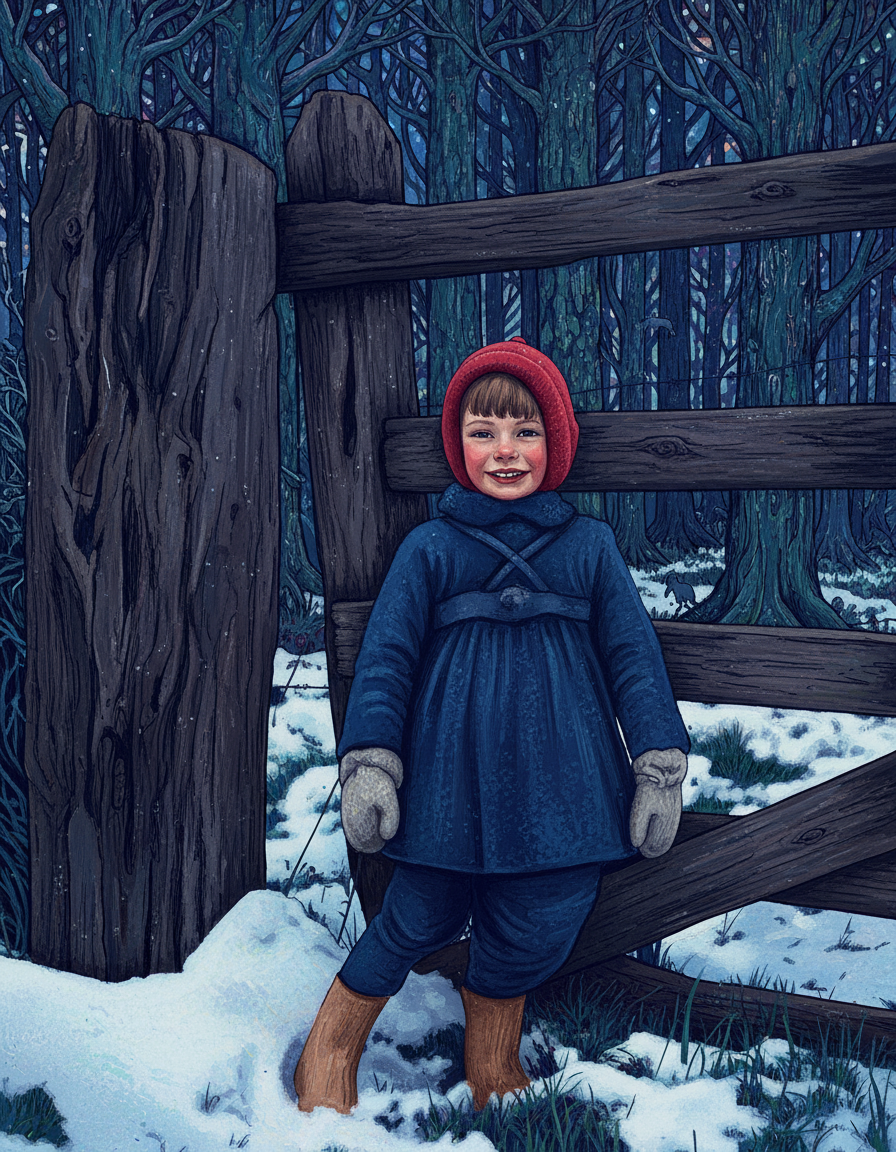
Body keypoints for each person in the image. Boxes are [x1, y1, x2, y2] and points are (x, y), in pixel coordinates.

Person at [294, 337, 689, 1115]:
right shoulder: (431, 548)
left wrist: (657, 762)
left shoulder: (589, 548)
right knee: (418, 913)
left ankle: (492, 1058)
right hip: (448, 782)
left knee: (547, 910)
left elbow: (633, 657)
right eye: (484, 432)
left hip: (564, 785)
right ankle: (331, 1049)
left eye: (526, 432)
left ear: (556, 443)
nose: (505, 451)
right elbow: (389, 657)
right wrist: (371, 759)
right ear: (459, 444)